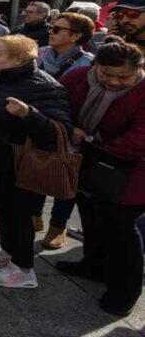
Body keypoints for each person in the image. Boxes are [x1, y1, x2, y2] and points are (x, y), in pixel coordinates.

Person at [0, 35, 72, 290]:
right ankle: (8, 252)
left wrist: (29, 114)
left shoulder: (44, 86)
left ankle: (24, 269)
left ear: (18, 59)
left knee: (20, 215)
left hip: (20, 164)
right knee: (4, 211)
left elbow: (61, 130)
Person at [56, 38, 145, 317]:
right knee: (90, 213)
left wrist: (92, 143)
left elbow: (140, 138)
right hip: (88, 163)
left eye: (124, 77)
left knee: (120, 228)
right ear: (95, 66)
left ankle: (125, 290)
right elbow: (58, 108)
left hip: (133, 170)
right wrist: (70, 130)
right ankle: (93, 264)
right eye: (107, 74)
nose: (114, 82)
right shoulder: (78, 77)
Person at [29, 12, 96, 248]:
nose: (51, 31)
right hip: (40, 122)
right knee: (35, 169)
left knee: (66, 178)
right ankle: (34, 216)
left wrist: (76, 126)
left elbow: (90, 102)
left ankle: (58, 227)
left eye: (57, 29)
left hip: (72, 127)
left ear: (76, 36)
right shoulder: (41, 54)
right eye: (51, 27)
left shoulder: (88, 63)